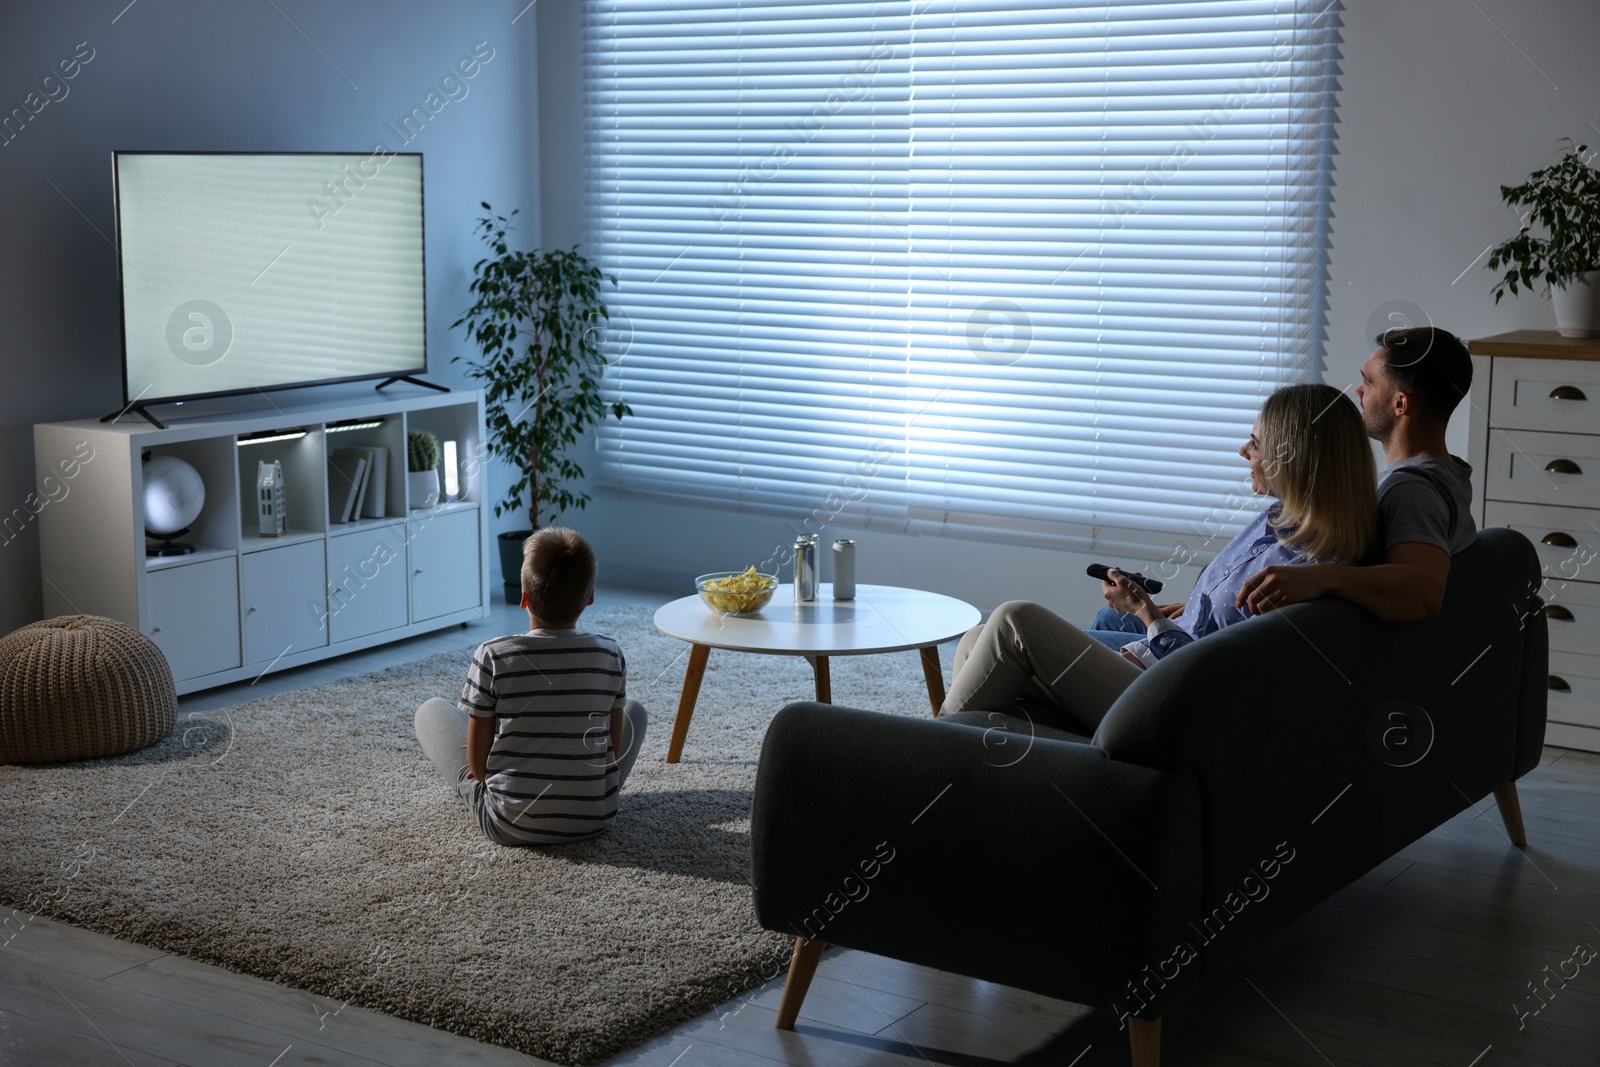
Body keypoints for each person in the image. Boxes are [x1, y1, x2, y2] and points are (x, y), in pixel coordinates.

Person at [940, 383, 1376, 732]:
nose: (1244, 452)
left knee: (1015, 620)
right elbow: (1222, 624)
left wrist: (1146, 616)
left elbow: (1218, 672)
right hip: (1158, 664)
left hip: (1178, 700)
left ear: (1293, 459)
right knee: (978, 641)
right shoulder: (1277, 519)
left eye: (1256, 443)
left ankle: (934, 753)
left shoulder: (1303, 573)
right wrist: (1168, 621)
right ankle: (975, 764)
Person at [414, 527, 648, 845]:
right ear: (590, 596)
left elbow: (478, 766)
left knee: (431, 711)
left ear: (523, 598)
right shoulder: (609, 652)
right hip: (596, 818)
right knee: (635, 710)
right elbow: (614, 751)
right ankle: (584, 793)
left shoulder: (493, 655)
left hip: (509, 823)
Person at [1236, 326, 1476, 620]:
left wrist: (1320, 577)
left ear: (1400, 403)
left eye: (1369, 382)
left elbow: (1423, 592)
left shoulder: (1410, 492)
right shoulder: (1449, 475)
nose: (1358, 392)